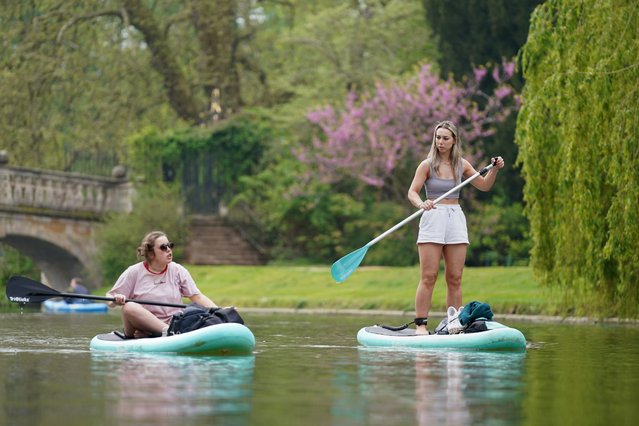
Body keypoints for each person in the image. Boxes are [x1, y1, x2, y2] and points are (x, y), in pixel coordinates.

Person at [407, 121, 504, 334]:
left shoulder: (462, 164)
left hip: (455, 218)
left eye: (445, 138)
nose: (440, 142)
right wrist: (421, 203)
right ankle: (421, 325)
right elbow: (412, 192)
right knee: (429, 276)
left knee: (455, 276)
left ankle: (454, 323)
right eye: (437, 137)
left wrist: (495, 170)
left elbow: (485, 185)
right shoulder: (427, 165)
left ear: (454, 141)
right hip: (433, 217)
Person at [107, 231, 217, 338]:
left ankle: (166, 332)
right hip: (142, 327)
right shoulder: (134, 272)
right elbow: (110, 300)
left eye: (170, 246)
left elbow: (197, 297)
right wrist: (116, 299)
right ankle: (167, 332)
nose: (169, 250)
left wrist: (219, 311)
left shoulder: (177, 270)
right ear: (150, 253)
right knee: (129, 306)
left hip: (174, 324)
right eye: (163, 247)